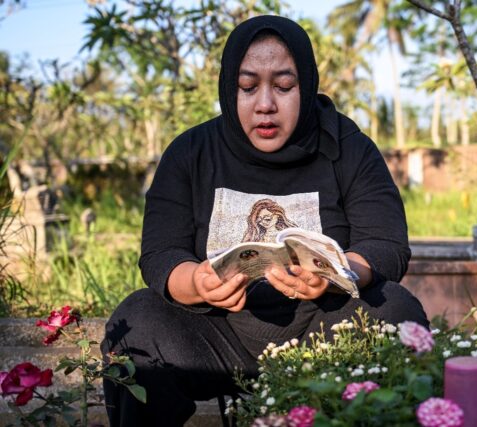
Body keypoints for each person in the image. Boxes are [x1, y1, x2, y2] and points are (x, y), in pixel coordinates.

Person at [101, 15, 428, 426]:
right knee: (137, 323)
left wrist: (337, 274)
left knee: (395, 308)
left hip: (324, 332)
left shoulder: (350, 148)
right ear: (228, 88)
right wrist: (196, 283)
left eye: (285, 86)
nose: (265, 104)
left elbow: (386, 244)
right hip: (216, 337)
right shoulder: (190, 152)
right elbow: (160, 252)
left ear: (306, 86)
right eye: (248, 86)